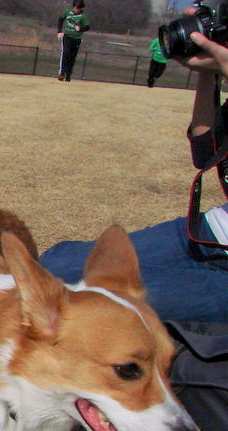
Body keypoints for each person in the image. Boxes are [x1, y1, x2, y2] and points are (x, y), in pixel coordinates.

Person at [40, 30, 228, 323]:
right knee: (53, 267)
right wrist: (208, 74)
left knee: (105, 311)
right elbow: (205, 153)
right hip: (208, 233)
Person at [57, 0, 90, 82]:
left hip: (77, 39)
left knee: (72, 56)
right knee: (65, 53)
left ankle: (68, 74)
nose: (76, 10)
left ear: (81, 8)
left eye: (78, 8)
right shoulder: (67, 12)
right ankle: (62, 73)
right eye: (75, 8)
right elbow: (60, 20)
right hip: (67, 36)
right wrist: (59, 31)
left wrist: (80, 29)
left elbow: (87, 27)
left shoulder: (83, 16)